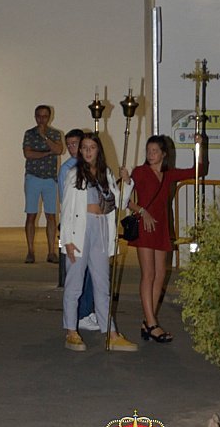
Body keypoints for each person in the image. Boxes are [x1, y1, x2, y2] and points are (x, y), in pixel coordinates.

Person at [121, 132, 208, 343]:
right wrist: (142, 210)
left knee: (160, 274)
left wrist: (200, 147)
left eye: (155, 151)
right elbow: (124, 199)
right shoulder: (141, 172)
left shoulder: (168, 175)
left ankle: (148, 321)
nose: (151, 154)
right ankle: (152, 323)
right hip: (145, 225)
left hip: (161, 227)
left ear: (163, 154)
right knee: (148, 274)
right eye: (148, 151)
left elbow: (199, 170)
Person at [60, 133, 137, 351]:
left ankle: (111, 333)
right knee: (74, 284)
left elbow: (119, 202)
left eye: (92, 147)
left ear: (98, 150)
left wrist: (127, 182)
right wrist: (67, 240)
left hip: (101, 231)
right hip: (80, 232)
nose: (87, 151)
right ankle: (71, 331)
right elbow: (66, 208)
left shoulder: (106, 174)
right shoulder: (74, 174)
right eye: (84, 147)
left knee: (102, 284)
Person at [57, 128, 96, 329]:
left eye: (76, 144)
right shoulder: (68, 170)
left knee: (91, 274)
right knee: (77, 276)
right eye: (69, 144)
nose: (72, 148)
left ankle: (87, 311)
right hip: (75, 228)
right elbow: (67, 204)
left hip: (90, 226)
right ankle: (79, 316)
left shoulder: (92, 167)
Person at [22, 104, 64, 264]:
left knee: (51, 216)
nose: (42, 119)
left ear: (50, 117)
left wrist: (45, 137)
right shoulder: (29, 133)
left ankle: (51, 251)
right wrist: (47, 152)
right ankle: (30, 251)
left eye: (45, 116)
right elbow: (28, 154)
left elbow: (59, 150)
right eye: (39, 116)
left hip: (50, 179)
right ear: (35, 117)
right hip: (33, 178)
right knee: (31, 215)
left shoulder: (55, 134)